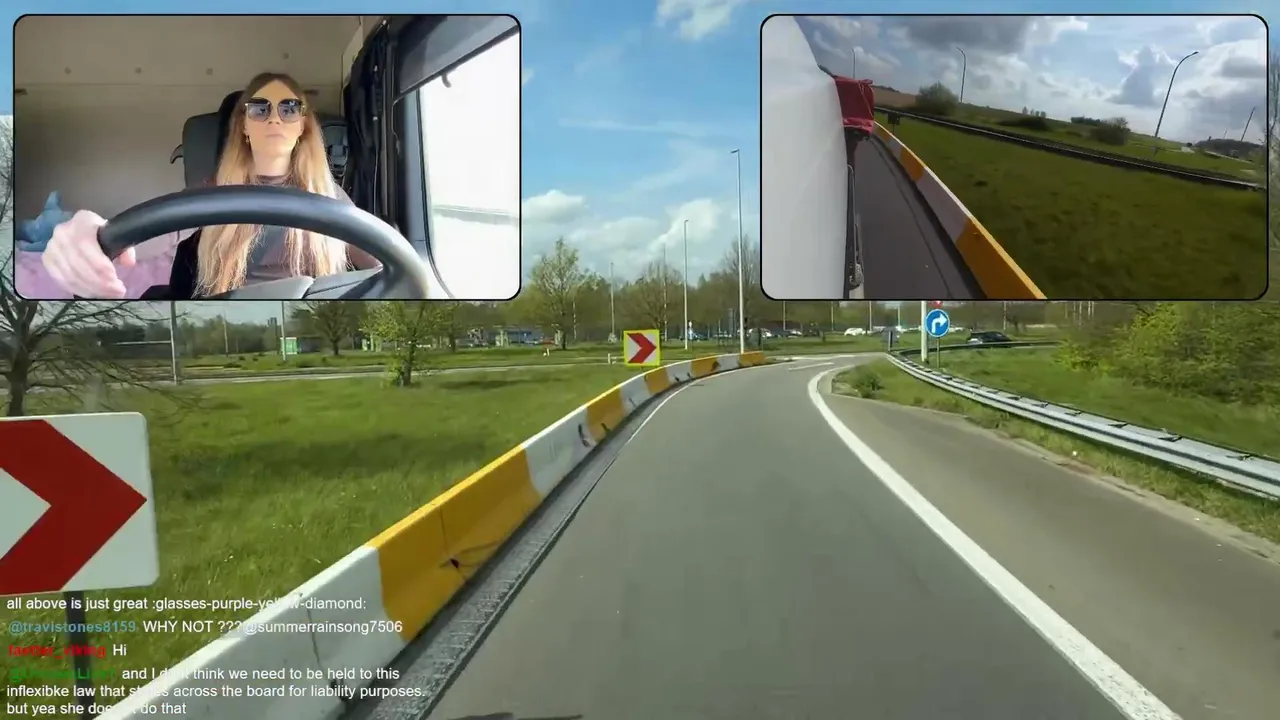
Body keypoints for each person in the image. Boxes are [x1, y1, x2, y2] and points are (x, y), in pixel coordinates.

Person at [40, 72, 381, 299]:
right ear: (244, 125)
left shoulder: (329, 196)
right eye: (260, 109)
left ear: (302, 125)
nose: (275, 117)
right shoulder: (211, 195)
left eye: (289, 108)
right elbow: (137, 241)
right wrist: (90, 237)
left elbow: (382, 264)